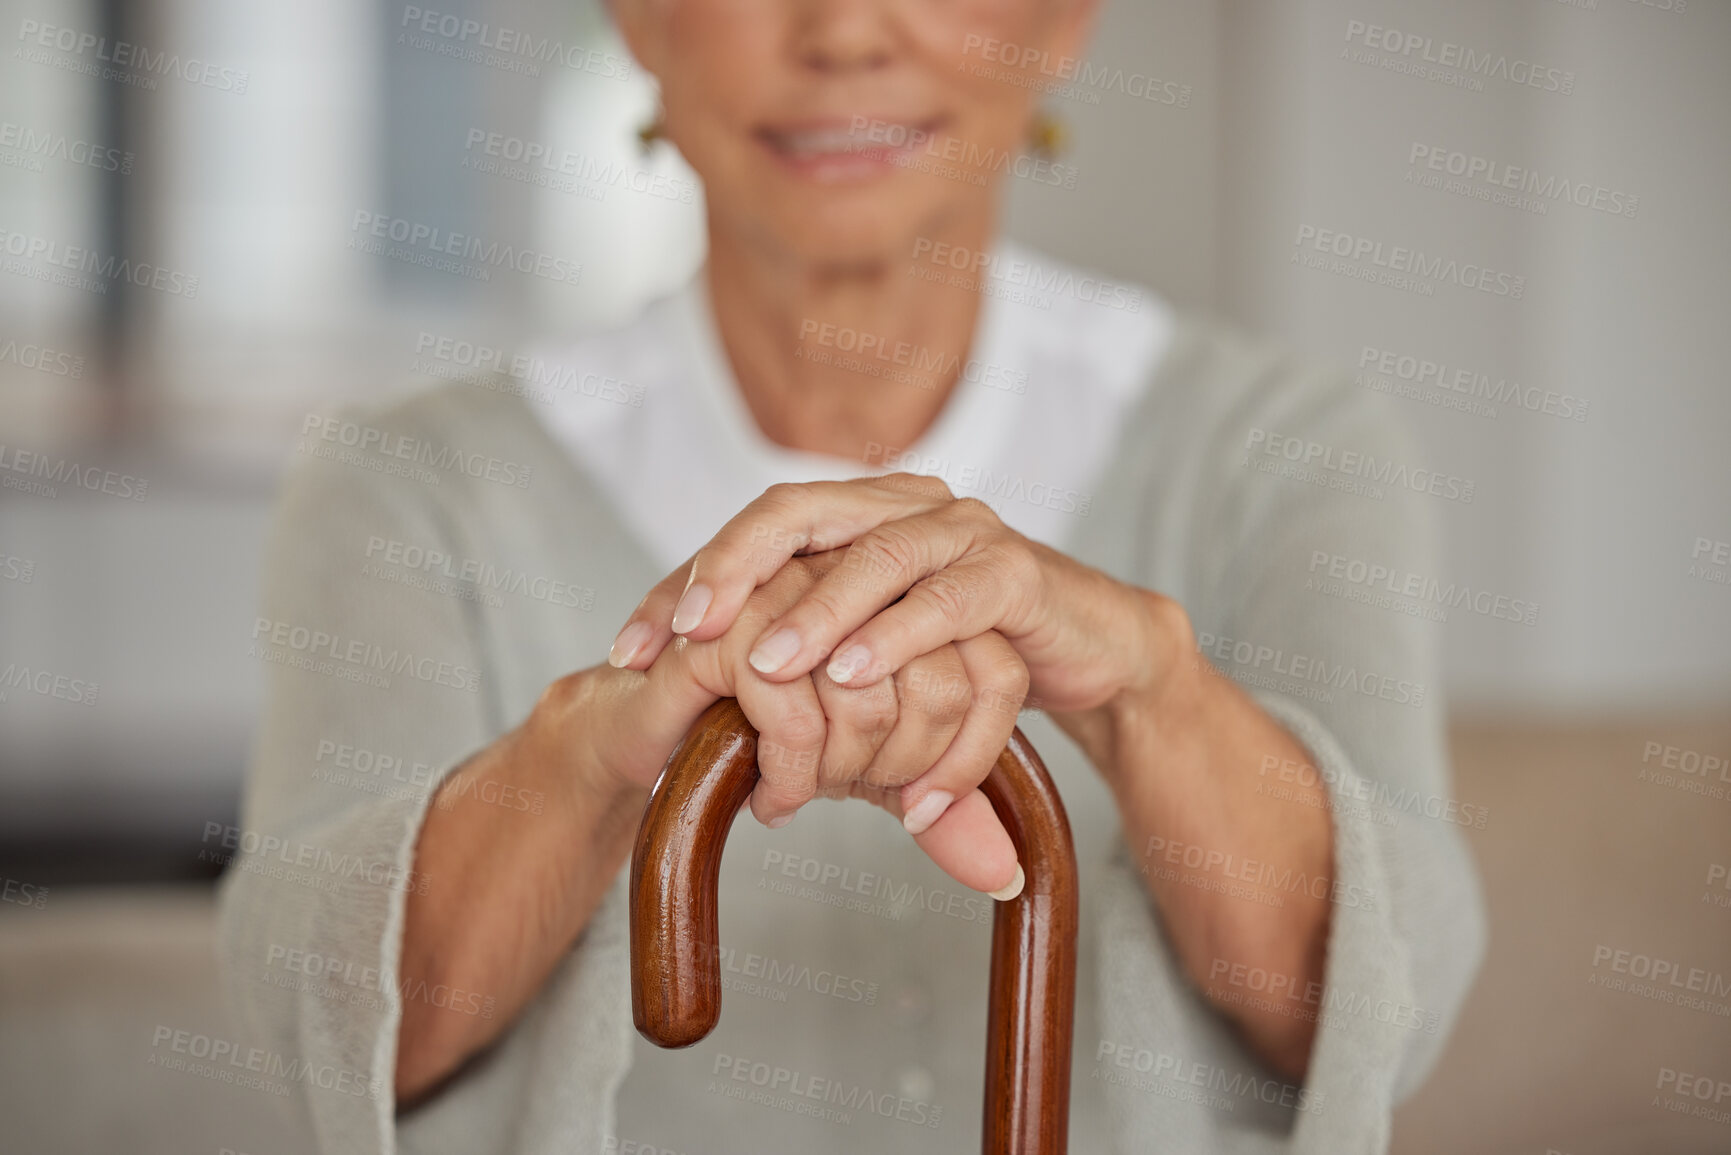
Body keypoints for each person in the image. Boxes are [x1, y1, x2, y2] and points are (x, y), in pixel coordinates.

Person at [219, 1, 1485, 1151]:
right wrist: (590, 754)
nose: (841, 32)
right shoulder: (406, 484)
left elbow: (1393, 1008)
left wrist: (1143, 686)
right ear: (639, 23)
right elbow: (315, 1033)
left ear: (1064, 22)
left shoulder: (1284, 450)